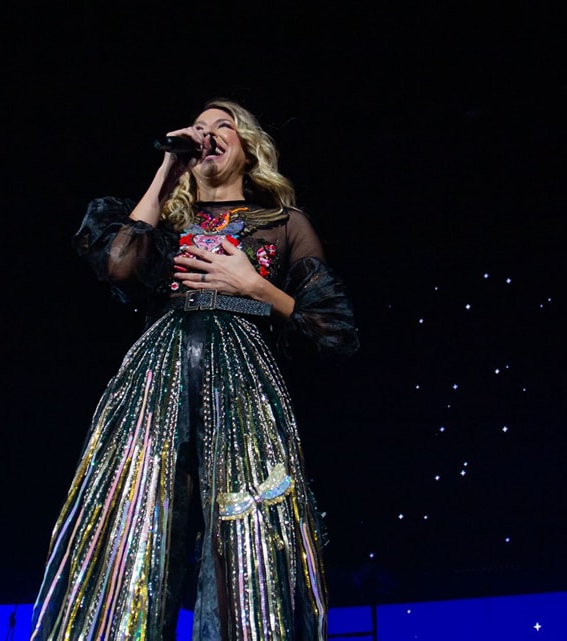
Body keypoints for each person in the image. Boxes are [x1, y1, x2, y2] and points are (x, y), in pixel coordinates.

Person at [31, 98, 359, 640]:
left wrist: (253, 286)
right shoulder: (168, 224)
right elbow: (118, 263)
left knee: (241, 538)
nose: (206, 134)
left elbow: (333, 330)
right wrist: (168, 169)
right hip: (155, 382)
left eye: (221, 127)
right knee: (139, 527)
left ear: (248, 148)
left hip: (243, 386)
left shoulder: (283, 224)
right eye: (198, 128)